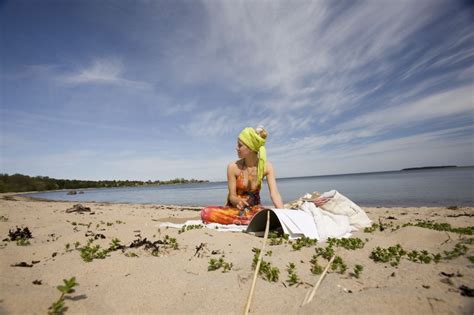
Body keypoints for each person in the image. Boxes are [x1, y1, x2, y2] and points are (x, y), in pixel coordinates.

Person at [200, 126, 283, 225]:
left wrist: (283, 214)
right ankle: (252, 222)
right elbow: (232, 196)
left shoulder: (267, 167)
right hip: (234, 210)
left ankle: (250, 221)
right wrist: (237, 201)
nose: (236, 148)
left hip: (255, 210)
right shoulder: (232, 167)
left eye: (240, 145)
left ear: (250, 148)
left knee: (269, 215)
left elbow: (275, 194)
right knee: (206, 212)